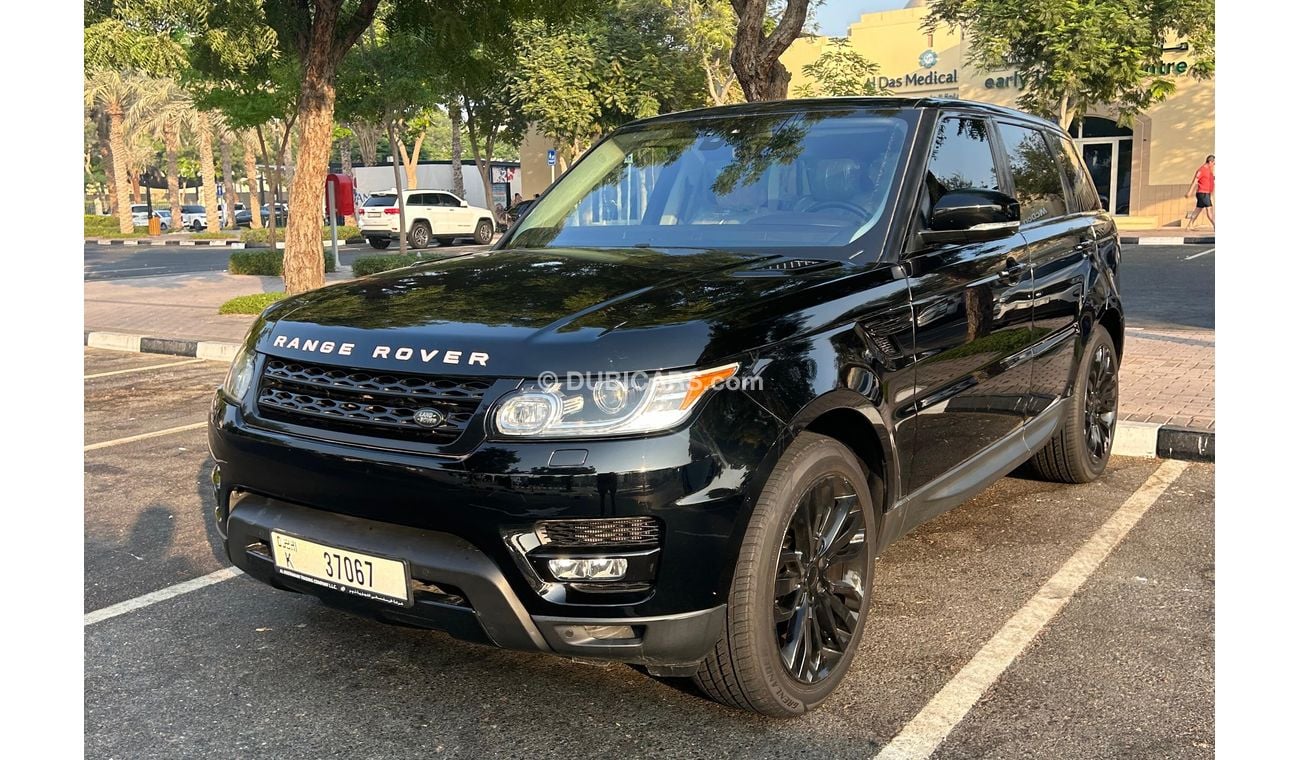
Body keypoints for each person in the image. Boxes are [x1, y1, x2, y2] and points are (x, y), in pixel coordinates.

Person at [1185, 154, 1215, 230]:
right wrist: (1190, 192)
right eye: (1214, 163)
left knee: (1198, 210)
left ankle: (1189, 225)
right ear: (1210, 161)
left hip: (1206, 193)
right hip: (1203, 193)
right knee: (1210, 210)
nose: (1214, 165)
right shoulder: (1202, 170)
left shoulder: (1209, 171)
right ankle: (1215, 225)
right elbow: (1195, 180)